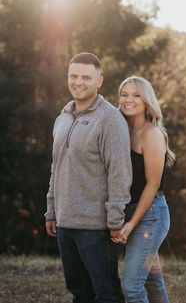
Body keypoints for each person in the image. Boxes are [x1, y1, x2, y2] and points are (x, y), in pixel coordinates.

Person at [44, 52, 132, 303]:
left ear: (99, 81)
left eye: (86, 77)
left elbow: (119, 171)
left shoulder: (110, 119)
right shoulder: (63, 117)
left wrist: (115, 218)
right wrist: (51, 210)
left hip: (96, 226)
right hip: (64, 222)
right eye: (73, 76)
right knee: (79, 293)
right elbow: (56, 167)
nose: (78, 82)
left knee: (106, 294)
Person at [113, 76, 175, 303]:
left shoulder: (152, 134)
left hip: (150, 215)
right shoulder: (121, 127)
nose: (128, 100)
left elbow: (153, 185)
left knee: (132, 288)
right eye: (124, 94)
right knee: (151, 280)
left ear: (147, 100)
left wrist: (130, 224)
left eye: (136, 95)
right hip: (131, 209)